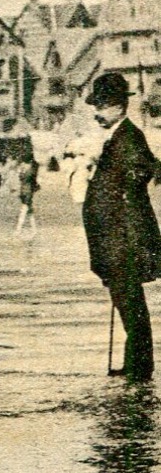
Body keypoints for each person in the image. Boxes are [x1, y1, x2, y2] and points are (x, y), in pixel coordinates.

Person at [83, 72, 161, 381]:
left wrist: (124, 234)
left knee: (131, 305)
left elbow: (140, 172)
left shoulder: (128, 137)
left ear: (118, 106)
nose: (97, 113)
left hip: (123, 239)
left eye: (101, 106)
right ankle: (134, 364)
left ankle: (139, 369)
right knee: (126, 303)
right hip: (116, 238)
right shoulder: (120, 137)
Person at [15, 153, 40, 239]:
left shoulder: (25, 169)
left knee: (26, 210)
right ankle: (31, 229)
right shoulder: (31, 169)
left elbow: (21, 178)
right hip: (27, 191)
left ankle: (21, 229)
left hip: (24, 191)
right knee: (27, 211)